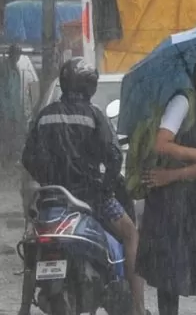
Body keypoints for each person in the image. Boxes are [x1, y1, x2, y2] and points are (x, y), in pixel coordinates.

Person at [21, 58, 146, 315]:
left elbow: (27, 157)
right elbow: (113, 157)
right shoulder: (94, 115)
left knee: (31, 242)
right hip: (90, 197)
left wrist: (48, 180)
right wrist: (106, 188)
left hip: (52, 199)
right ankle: (138, 307)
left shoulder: (45, 116)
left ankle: (23, 306)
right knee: (132, 234)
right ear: (90, 86)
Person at [137, 52, 196, 315]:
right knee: (169, 273)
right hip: (171, 201)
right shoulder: (182, 102)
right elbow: (162, 143)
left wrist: (177, 174)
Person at [0, 44, 25, 165]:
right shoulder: (4, 68)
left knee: (14, 135)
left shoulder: (15, 67)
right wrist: (4, 111)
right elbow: (3, 91)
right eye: (17, 53)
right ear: (12, 54)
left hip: (15, 109)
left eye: (19, 54)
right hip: (6, 110)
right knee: (6, 135)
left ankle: (11, 158)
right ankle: (5, 159)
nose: (18, 56)